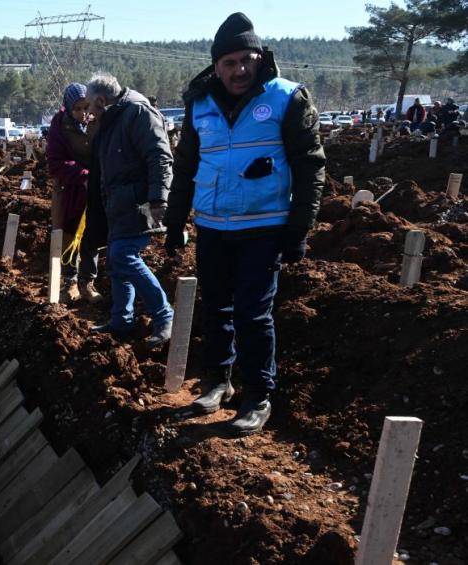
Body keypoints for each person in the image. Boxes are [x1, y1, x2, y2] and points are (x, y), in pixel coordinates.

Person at [164, 13, 325, 436]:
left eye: (246, 60)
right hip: (214, 225)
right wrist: (174, 220)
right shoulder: (199, 103)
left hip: (264, 226)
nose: (239, 70)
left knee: (254, 314)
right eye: (229, 62)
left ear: (260, 59)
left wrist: (298, 230)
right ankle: (217, 381)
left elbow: (311, 168)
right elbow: (186, 166)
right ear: (216, 66)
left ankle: (258, 395)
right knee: (215, 307)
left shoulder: (288, 98)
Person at [82, 72, 174, 348]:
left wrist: (158, 199)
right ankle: (122, 320)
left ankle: (164, 315)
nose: (88, 112)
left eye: (89, 106)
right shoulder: (113, 117)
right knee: (116, 259)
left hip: (139, 201)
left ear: (101, 99)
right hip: (118, 202)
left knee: (124, 254)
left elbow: (159, 155)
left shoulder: (137, 112)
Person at [45, 83, 102, 304]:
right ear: (68, 108)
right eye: (77, 109)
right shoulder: (60, 125)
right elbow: (55, 162)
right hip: (70, 189)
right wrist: (82, 176)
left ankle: (87, 282)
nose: (83, 113)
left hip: (97, 188)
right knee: (69, 233)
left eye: (86, 107)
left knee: (93, 235)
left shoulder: (99, 121)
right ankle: (70, 281)